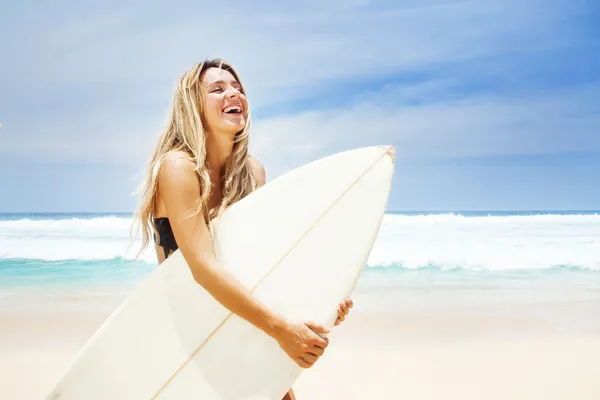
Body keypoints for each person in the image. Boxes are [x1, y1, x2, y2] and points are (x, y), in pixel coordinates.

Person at [131, 58, 353, 400]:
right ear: (193, 106)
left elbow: (264, 264)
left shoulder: (251, 172)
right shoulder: (178, 168)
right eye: (217, 89)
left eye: (237, 87)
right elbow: (203, 269)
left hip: (241, 328)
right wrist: (280, 328)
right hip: (195, 336)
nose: (233, 93)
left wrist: (320, 300)